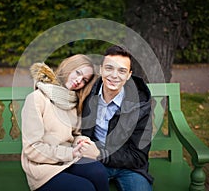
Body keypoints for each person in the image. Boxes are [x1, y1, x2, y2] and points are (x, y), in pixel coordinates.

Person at [21, 54, 109, 191]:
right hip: (43, 167)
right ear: (68, 67)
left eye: (85, 80)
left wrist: (82, 142)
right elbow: (32, 149)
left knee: (99, 172)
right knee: (85, 188)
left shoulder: (72, 101)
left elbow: (75, 134)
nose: (79, 80)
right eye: (78, 73)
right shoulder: (36, 99)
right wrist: (71, 153)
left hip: (68, 160)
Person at [80, 46, 153, 191]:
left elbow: (138, 156)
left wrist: (102, 154)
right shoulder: (87, 93)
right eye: (109, 68)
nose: (114, 75)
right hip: (94, 163)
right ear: (101, 70)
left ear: (129, 75)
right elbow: (63, 84)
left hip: (130, 168)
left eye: (121, 71)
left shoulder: (140, 105)